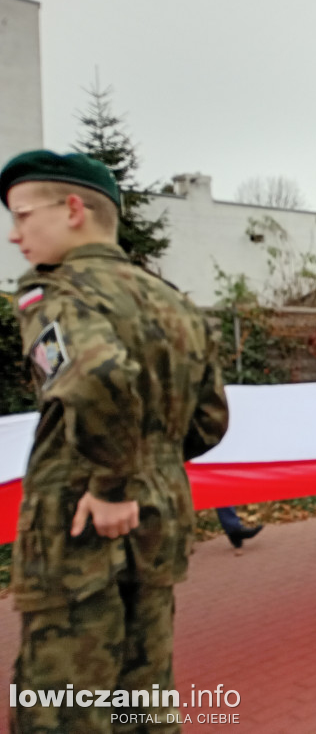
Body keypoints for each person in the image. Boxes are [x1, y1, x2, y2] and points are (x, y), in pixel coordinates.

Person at [3, 150, 229, 732]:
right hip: (159, 526)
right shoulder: (173, 301)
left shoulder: (55, 293)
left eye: (23, 215)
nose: (14, 234)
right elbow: (208, 422)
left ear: (72, 208)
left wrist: (109, 485)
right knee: (144, 699)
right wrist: (148, 468)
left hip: (77, 531)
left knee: (63, 710)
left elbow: (98, 378)